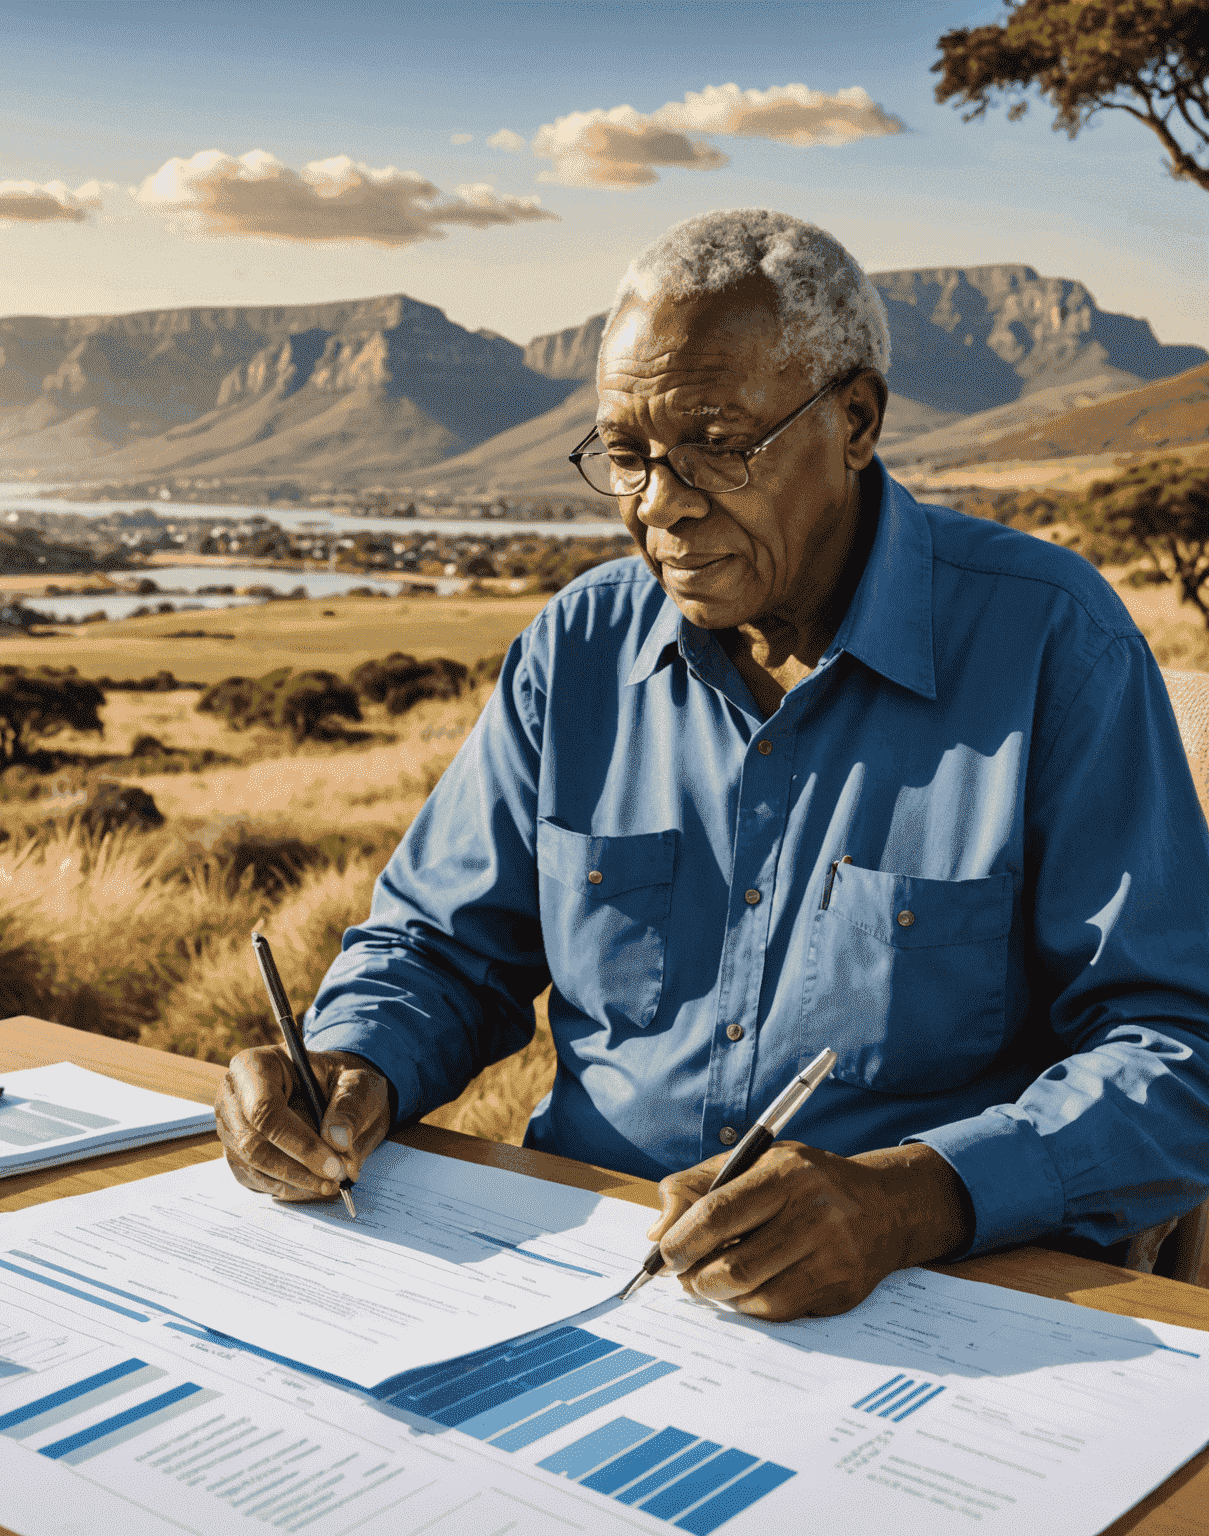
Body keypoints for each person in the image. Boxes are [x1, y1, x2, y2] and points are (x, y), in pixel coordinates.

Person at [214, 209, 1209, 1320]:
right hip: (586, 1278)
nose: (660, 505)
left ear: (857, 421)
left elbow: (1177, 1049)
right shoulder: (578, 648)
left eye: (716, 446)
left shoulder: (1051, 643)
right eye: (628, 456)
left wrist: (909, 1200)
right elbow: (441, 948)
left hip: (925, 1303)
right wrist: (352, 1063)